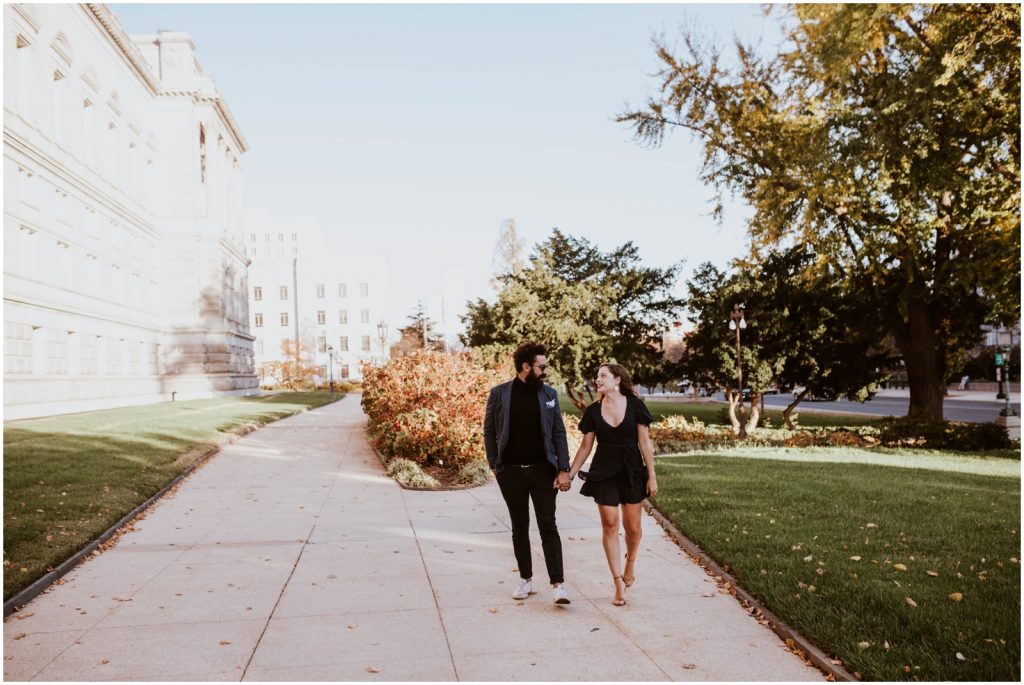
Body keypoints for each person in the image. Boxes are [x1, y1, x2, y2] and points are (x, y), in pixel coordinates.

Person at [483, 342, 573, 605]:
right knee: (519, 527)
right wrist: (494, 464)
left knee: (548, 525)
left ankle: (558, 585)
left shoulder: (549, 394)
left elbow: (558, 432)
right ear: (526, 367)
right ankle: (526, 579)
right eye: (541, 366)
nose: (545, 370)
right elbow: (489, 431)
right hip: (510, 473)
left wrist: (563, 469)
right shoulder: (499, 394)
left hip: (543, 472)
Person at [567, 363, 657, 606]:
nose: (598, 379)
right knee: (609, 525)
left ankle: (630, 564)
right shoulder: (593, 411)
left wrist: (652, 475)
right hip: (604, 471)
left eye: (603, 375)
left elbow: (645, 444)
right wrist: (571, 473)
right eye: (597, 376)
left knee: (634, 529)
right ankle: (618, 582)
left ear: (617, 379)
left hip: (631, 471)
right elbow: (586, 446)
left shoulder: (636, 406)